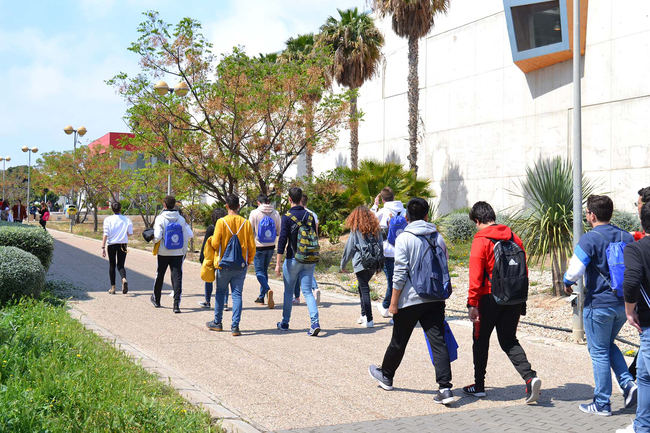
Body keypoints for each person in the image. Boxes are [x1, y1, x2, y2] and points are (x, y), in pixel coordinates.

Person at [368, 198, 455, 405]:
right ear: (427, 216)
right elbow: (444, 263)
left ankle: (386, 375)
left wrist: (393, 303)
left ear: (407, 217)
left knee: (399, 339)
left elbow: (399, 274)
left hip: (410, 299)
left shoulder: (405, 238)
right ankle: (445, 389)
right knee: (438, 341)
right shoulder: (437, 237)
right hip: (434, 297)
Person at [564, 195, 636, 415]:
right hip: (623, 305)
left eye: (587, 212)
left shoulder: (589, 239)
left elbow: (575, 271)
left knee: (598, 352)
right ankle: (628, 385)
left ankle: (602, 402)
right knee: (606, 345)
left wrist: (566, 281)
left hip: (598, 305)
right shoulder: (627, 236)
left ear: (592, 215)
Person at [463, 201, 541, 403]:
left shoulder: (481, 240)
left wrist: (472, 303)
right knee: (508, 340)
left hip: (488, 299)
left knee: (480, 341)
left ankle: (479, 386)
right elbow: (523, 269)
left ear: (478, 220)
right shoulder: (515, 237)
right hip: (514, 297)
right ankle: (530, 377)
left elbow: (476, 275)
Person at [616, 202, 650, 433]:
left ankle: (643, 426)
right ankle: (642, 425)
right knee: (645, 376)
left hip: (648, 323)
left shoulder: (636, 249)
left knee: (647, 377)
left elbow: (630, 281)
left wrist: (630, 310)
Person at [206, 195, 256, 336]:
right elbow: (252, 246)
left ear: (226, 206)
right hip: (240, 265)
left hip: (224, 264)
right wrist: (248, 261)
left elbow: (215, 244)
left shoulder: (221, 222)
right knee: (237, 294)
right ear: (238, 206)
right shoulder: (245, 223)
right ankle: (235, 326)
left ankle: (217, 322)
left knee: (221, 293)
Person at [275, 186, 321, 336]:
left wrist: (278, 263)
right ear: (301, 198)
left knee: (288, 292)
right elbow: (315, 236)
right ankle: (314, 323)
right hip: (309, 258)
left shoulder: (287, 216)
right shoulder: (310, 216)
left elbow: (282, 240)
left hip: (293, 258)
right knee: (307, 292)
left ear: (289, 199)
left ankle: (285, 322)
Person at [340, 206, 383, 328]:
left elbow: (349, 249)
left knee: (364, 289)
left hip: (361, 263)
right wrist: (380, 265)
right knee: (362, 287)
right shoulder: (376, 230)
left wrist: (342, 265)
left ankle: (369, 319)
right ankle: (363, 315)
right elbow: (381, 247)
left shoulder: (356, 230)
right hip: (373, 263)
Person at [150, 195, 193, 314]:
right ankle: (176, 305)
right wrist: (184, 251)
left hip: (163, 252)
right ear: (174, 205)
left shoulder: (160, 218)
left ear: (164, 205)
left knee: (160, 275)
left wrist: (152, 239)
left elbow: (157, 236)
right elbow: (188, 235)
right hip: (178, 252)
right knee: (177, 277)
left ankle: (157, 300)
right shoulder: (181, 219)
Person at [371, 186, 407, 320]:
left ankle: (387, 306)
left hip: (387, 251)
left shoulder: (383, 211)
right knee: (400, 281)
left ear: (383, 199)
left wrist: (375, 206)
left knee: (392, 281)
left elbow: (369, 220)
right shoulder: (404, 211)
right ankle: (391, 308)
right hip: (403, 250)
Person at [249, 193, 281, 308]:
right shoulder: (276, 213)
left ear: (258, 202)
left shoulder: (254, 213)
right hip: (271, 246)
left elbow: (250, 230)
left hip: (259, 246)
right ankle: (261, 297)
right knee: (264, 271)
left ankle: (267, 290)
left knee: (259, 272)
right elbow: (279, 230)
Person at [293, 193, 320, 305]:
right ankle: (315, 288)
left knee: (298, 271)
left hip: (299, 247)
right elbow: (316, 231)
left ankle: (297, 297)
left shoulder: (295, 213)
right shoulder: (312, 214)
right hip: (312, 245)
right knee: (308, 270)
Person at [101, 202, 133, 295]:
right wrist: (123, 235)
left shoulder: (108, 220)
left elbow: (105, 234)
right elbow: (130, 233)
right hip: (123, 244)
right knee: (121, 265)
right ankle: (123, 278)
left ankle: (113, 288)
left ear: (112, 209)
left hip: (111, 244)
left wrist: (103, 247)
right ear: (121, 208)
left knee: (112, 265)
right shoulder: (127, 219)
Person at [198, 208, 227, 309]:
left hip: (211, 257)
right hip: (223, 257)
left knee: (209, 279)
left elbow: (206, 243)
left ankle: (207, 301)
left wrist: (202, 257)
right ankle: (225, 303)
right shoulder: (226, 228)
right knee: (224, 280)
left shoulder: (211, 228)